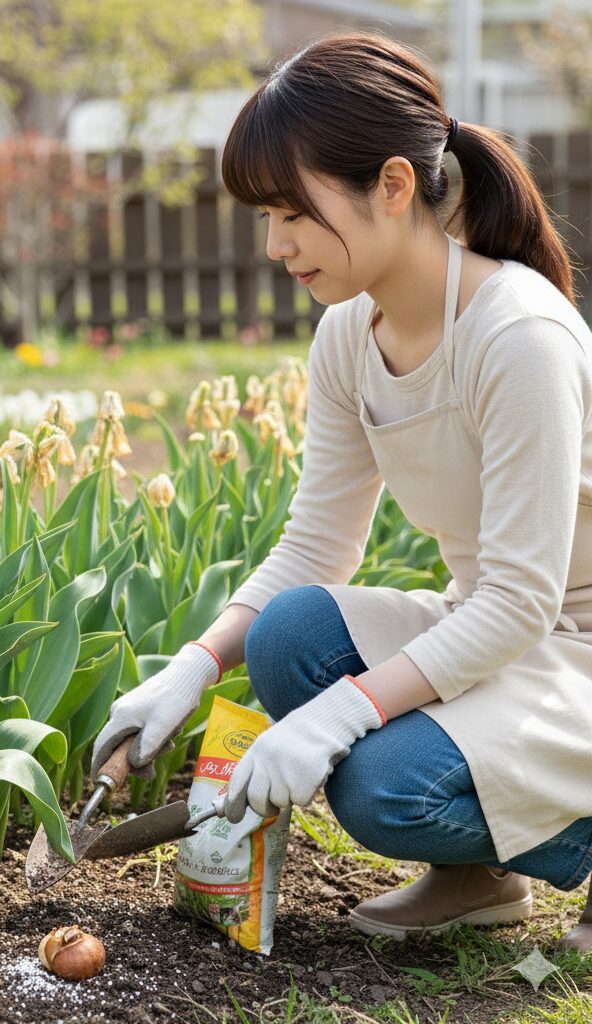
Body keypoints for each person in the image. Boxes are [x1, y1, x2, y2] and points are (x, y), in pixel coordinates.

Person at [91, 30, 592, 950]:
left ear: (393, 186)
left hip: (574, 649)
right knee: (290, 636)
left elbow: (522, 600)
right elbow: (318, 546)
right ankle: (477, 879)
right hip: (503, 630)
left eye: (294, 213)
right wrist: (192, 666)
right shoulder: (349, 337)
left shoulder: (519, 335)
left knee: (382, 786)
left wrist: (342, 714)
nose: (277, 245)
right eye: (265, 218)